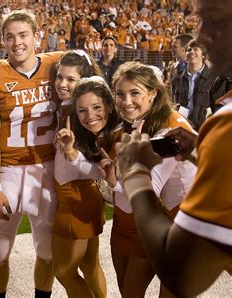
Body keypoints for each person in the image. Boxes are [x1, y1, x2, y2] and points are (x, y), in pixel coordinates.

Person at [115, 0, 232, 296]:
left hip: (174, 217)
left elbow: (183, 274)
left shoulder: (222, 126)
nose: (201, 37)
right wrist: (204, 152)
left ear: (154, 94)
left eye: (215, 20)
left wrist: (135, 172)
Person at [0, 10, 63, 297]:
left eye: (23, 35)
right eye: (10, 37)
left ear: (37, 36)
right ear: (2, 40)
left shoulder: (56, 65)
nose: (17, 42)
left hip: (46, 169)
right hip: (10, 171)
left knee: (48, 251)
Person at [105, 61, 197, 297]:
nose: (126, 102)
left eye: (135, 93)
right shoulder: (147, 122)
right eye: (120, 94)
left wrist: (111, 182)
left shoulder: (168, 131)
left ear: (153, 93)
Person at [51, 51, 109, 298]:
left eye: (71, 79)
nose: (63, 84)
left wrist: (71, 152)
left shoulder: (85, 113)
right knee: (90, 265)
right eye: (59, 77)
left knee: (64, 272)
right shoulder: (72, 107)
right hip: (84, 196)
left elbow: (101, 165)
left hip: (76, 199)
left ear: (84, 80)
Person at [171, 39, 216, 130]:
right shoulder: (177, 78)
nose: (192, 52)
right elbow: (173, 102)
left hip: (204, 128)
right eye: (189, 50)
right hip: (183, 125)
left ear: (203, 55)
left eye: (196, 49)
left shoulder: (213, 78)